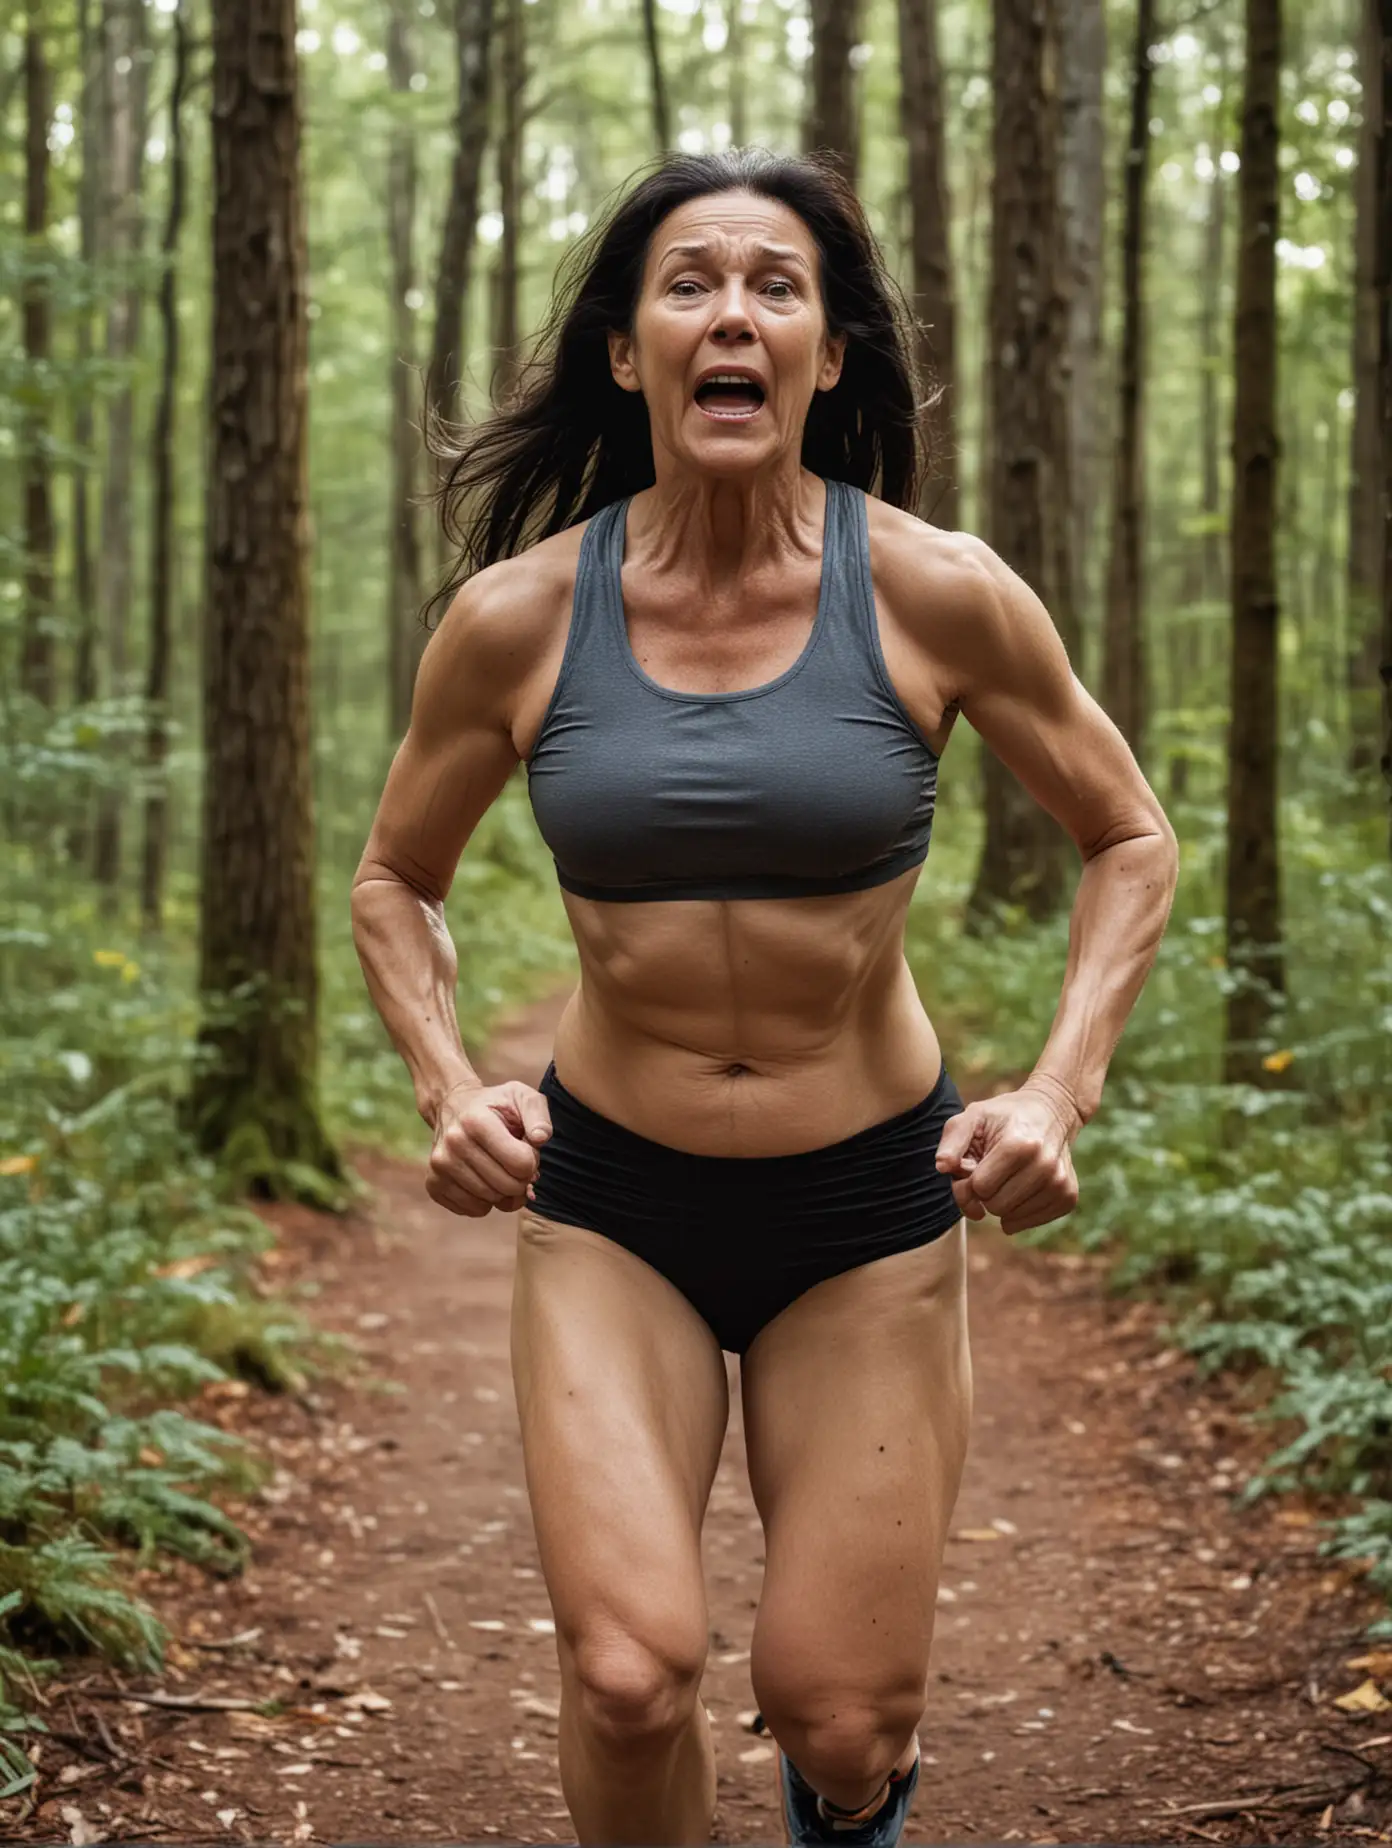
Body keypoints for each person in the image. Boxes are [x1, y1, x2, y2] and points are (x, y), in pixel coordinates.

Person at [351, 150, 1178, 1848]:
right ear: (626, 352)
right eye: (690, 283)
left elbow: (1130, 836)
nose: (734, 311)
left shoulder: (936, 591)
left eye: (776, 286)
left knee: (845, 1718)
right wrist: (447, 1083)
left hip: (867, 1203)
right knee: (632, 1672)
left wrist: (1056, 1091)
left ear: (829, 354)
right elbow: (393, 881)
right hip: (613, 1203)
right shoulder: (515, 622)